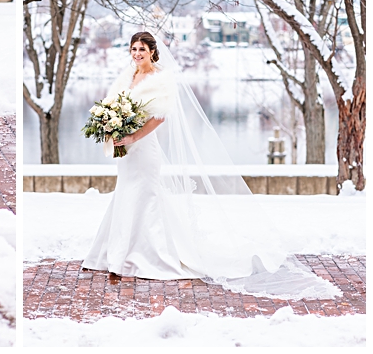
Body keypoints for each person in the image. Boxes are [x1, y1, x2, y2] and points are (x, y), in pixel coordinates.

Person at [82, 31, 339, 299]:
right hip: (127, 152)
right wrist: (113, 128)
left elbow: (158, 117)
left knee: (146, 196)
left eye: (142, 50)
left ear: (152, 52)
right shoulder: (127, 77)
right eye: (133, 49)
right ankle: (117, 254)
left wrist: (133, 136)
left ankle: (148, 255)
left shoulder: (161, 79)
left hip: (145, 149)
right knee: (124, 194)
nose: (137, 54)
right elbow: (114, 107)